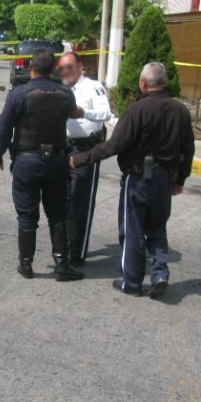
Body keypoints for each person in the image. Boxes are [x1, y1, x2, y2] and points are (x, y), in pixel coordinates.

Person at [69, 62, 195, 298]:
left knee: (132, 230)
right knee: (157, 228)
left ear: (143, 83)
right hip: (165, 181)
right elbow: (188, 149)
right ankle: (159, 273)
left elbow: (115, 145)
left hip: (138, 179)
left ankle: (132, 282)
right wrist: (180, 180)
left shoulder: (137, 110)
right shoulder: (180, 111)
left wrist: (80, 159)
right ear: (164, 83)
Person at [0, 51, 85, 281]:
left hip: (27, 161)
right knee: (57, 214)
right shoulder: (65, 93)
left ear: (31, 66)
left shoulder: (19, 94)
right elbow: (74, 113)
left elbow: (4, 128)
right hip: (56, 162)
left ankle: (26, 264)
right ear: (53, 68)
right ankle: (62, 265)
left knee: (27, 215)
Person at [56, 52, 112, 267]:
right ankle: (64, 246)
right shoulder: (60, 88)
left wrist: (82, 113)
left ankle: (77, 252)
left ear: (80, 66)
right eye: (61, 68)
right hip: (62, 148)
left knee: (81, 200)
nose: (66, 72)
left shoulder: (93, 86)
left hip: (85, 148)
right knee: (62, 200)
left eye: (69, 67)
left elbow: (105, 113)